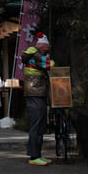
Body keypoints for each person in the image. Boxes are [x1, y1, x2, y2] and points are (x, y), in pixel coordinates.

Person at [23, 33, 52, 166]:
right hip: (35, 91)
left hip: (35, 91)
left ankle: (37, 154)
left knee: (39, 124)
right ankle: (34, 156)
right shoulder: (36, 53)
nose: (47, 49)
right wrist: (51, 60)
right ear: (41, 45)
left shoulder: (32, 53)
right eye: (46, 47)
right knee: (37, 124)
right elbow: (48, 64)